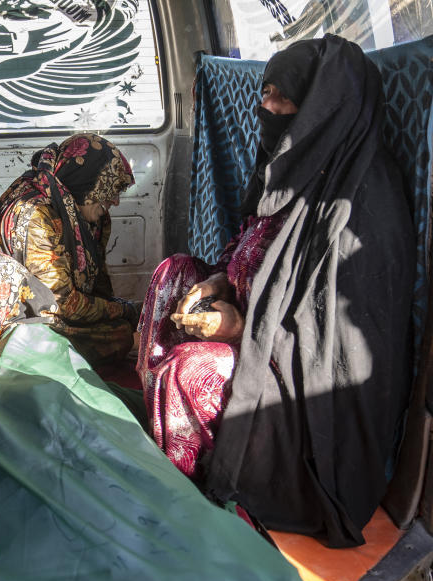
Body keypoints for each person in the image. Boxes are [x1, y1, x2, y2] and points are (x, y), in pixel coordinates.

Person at [136, 35, 414, 546]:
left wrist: (237, 327)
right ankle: (159, 416)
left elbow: (332, 348)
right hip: (254, 324)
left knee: (189, 371)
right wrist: (217, 282)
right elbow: (248, 250)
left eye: (281, 97)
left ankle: (193, 487)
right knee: (172, 272)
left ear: (319, 110)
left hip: (298, 390)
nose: (266, 108)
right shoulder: (289, 172)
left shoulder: (361, 208)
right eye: (264, 93)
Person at [0, 133, 138, 369]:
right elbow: (64, 303)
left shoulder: (85, 217)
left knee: (123, 322)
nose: (115, 202)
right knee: (118, 334)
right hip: (14, 316)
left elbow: (99, 290)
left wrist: (124, 310)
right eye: (109, 191)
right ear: (87, 183)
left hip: (48, 307)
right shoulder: (39, 216)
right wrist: (125, 312)